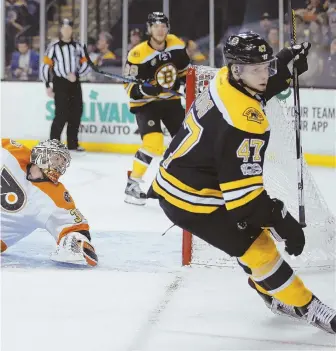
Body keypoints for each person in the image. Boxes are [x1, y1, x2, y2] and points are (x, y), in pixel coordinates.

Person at [148, 31, 336, 334]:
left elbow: (257, 89)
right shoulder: (243, 122)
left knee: (253, 236)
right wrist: (283, 222)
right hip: (191, 199)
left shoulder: (225, 79)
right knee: (259, 246)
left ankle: (269, 290)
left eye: (267, 66)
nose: (264, 75)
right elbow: (245, 203)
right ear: (237, 70)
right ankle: (308, 306)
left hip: (185, 178)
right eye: (256, 69)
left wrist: (284, 66)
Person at [123, 12, 190, 205]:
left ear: (168, 28)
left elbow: (186, 72)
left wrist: (184, 84)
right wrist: (145, 89)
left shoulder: (177, 44)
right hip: (146, 104)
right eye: (155, 26)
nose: (160, 29)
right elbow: (129, 88)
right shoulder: (137, 53)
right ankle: (132, 185)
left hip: (170, 101)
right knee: (153, 143)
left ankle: (175, 184)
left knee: (185, 142)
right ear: (149, 29)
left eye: (163, 26)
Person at [0, 139, 98, 267]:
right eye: (56, 159)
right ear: (42, 155)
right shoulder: (12, 152)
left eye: (63, 162)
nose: (60, 166)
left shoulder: (55, 195)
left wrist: (78, 242)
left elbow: (75, 227)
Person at [41, 18, 90, 152]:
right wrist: (47, 85)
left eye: (69, 28)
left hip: (75, 83)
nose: (67, 30)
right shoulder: (54, 47)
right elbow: (45, 66)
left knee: (76, 112)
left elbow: (86, 63)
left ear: (72, 30)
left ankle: (72, 144)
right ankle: (54, 144)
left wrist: (77, 74)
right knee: (61, 113)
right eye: (64, 28)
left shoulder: (78, 46)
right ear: (61, 30)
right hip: (60, 83)